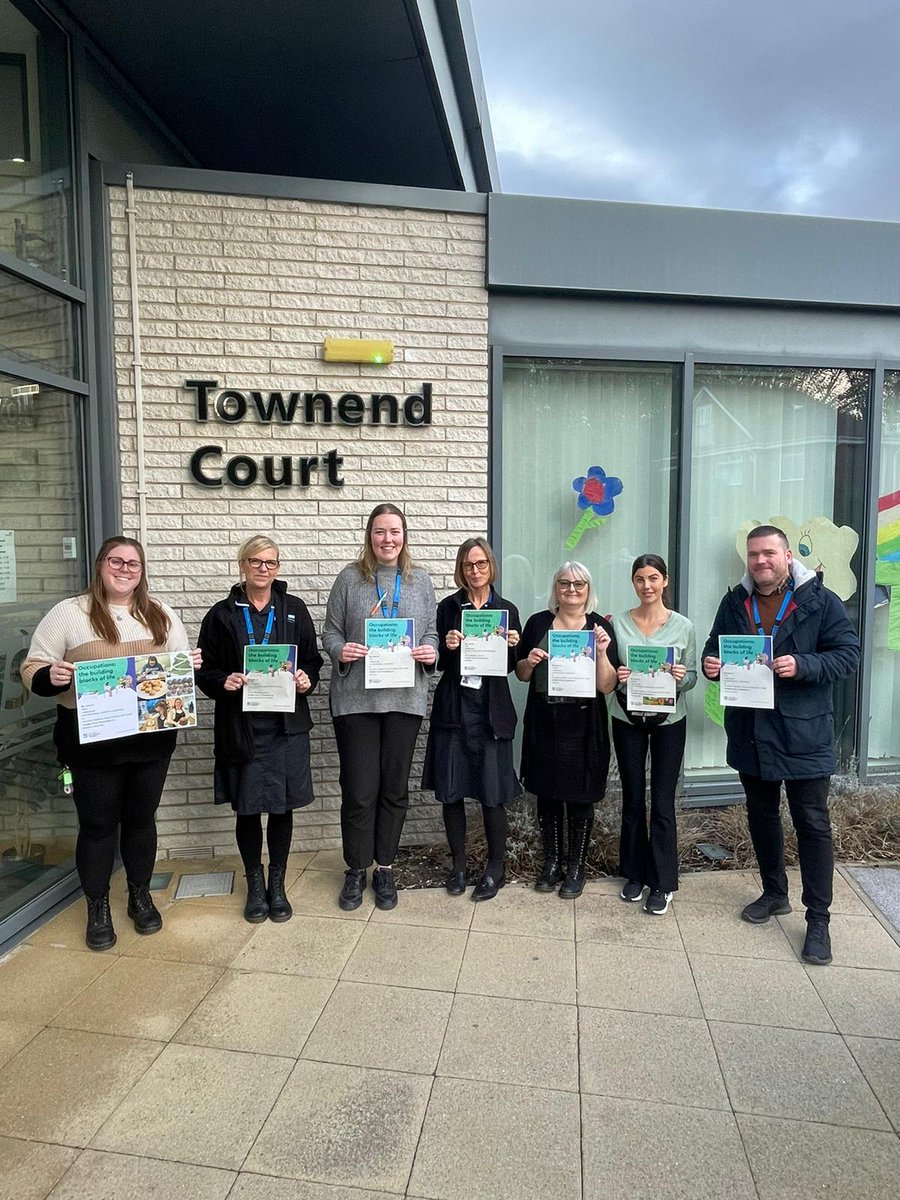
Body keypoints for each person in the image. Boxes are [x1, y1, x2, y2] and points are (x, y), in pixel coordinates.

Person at [21, 537, 200, 951]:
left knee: (141, 820)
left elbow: (176, 679)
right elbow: (32, 670)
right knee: (99, 826)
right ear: (101, 565)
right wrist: (54, 676)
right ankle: (97, 906)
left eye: (133, 564)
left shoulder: (161, 614)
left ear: (142, 571)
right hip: (92, 746)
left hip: (150, 743)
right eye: (116, 561)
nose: (124, 569)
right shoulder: (69, 614)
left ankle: (140, 895)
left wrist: (187, 667)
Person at [702, 524, 860, 965]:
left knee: (812, 823)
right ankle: (774, 893)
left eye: (769, 553)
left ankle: (819, 919)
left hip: (804, 732)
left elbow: (848, 654)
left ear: (787, 556)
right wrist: (710, 663)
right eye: (754, 555)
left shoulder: (820, 600)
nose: (760, 562)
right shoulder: (735, 601)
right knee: (762, 816)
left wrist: (803, 663)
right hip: (752, 729)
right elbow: (715, 647)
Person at [196, 536, 321, 924]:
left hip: (285, 727)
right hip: (243, 726)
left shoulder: (294, 610)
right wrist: (224, 681)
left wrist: (306, 679)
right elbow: (205, 670)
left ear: (278, 568)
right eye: (256, 561)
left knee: (282, 807)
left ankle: (277, 884)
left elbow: (313, 661)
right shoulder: (221, 614)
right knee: (248, 809)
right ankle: (254, 883)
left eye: (271, 562)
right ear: (242, 565)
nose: (263, 568)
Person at [323, 503, 438, 911]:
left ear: (404, 536)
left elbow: (431, 632)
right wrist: (343, 650)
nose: (387, 539)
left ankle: (384, 867)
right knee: (359, 790)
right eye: (379, 532)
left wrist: (430, 652)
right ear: (368, 536)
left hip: (404, 699)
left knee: (393, 788)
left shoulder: (420, 581)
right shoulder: (350, 579)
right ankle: (356, 869)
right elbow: (330, 633)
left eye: (394, 531)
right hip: (356, 700)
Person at [423, 538, 522, 901]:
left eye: (480, 564)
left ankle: (496, 868)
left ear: (490, 566)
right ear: (460, 569)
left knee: (492, 795)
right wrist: (447, 646)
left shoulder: (506, 609)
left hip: (492, 712)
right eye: (468, 565)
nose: (475, 571)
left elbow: (515, 667)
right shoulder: (449, 607)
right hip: (454, 709)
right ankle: (459, 865)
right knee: (451, 793)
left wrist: (514, 644)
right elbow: (438, 664)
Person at [516, 562, 618, 898]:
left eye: (579, 584)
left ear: (589, 589)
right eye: (564, 583)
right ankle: (551, 864)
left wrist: (602, 652)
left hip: (585, 722)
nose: (571, 589)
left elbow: (607, 686)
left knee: (580, 796)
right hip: (546, 720)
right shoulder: (538, 623)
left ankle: (576, 867)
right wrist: (529, 661)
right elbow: (521, 674)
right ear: (555, 588)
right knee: (547, 794)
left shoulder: (600, 627)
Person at [610, 554, 697, 915]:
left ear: (665, 582)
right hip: (627, 718)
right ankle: (635, 873)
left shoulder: (683, 626)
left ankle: (662, 881)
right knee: (632, 798)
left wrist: (680, 678)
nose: (647, 586)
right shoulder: (617, 624)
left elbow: (693, 676)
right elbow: (609, 671)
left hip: (668, 721)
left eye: (653, 578)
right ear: (633, 583)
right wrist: (619, 674)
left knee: (662, 801)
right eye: (640, 579)